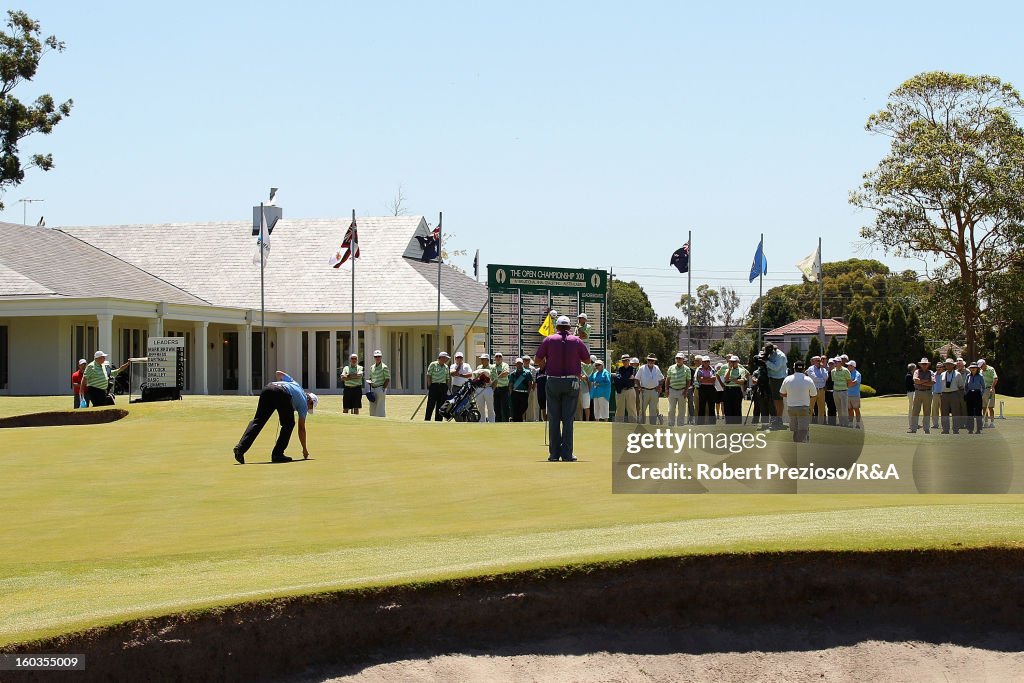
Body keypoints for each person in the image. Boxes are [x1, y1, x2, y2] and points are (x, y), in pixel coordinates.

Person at [535, 315, 591, 462]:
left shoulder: (549, 340)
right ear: (569, 327)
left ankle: (554, 454)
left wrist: (545, 366)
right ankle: (567, 454)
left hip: (553, 381)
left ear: (557, 327)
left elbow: (537, 360)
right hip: (572, 381)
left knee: (553, 417)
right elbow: (587, 360)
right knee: (568, 418)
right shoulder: (576, 340)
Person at [233, 370, 317, 464]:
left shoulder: (295, 384)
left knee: (258, 421)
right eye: (310, 407)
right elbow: (301, 428)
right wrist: (304, 449)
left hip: (268, 389)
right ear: (310, 401)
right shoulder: (304, 403)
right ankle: (277, 454)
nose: (308, 409)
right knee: (289, 424)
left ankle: (240, 449)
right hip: (282, 393)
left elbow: (278, 373)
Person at [780, 360, 817, 443]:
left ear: (794, 369)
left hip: (791, 408)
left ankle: (795, 446)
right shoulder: (808, 380)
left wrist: (790, 394)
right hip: (803, 408)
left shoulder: (787, 379)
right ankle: (800, 447)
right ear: (804, 369)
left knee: (795, 430)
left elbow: (782, 393)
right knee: (803, 430)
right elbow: (814, 394)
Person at [763, 343, 788, 429]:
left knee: (778, 399)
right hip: (773, 378)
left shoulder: (780, 356)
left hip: (779, 378)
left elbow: (776, 368)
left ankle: (779, 419)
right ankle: (777, 418)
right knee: (775, 400)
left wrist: (766, 361)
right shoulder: (771, 354)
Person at [937, 358, 965, 434]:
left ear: (953, 365)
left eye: (950, 364)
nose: (948, 366)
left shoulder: (957, 374)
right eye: (946, 364)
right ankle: (945, 429)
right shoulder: (942, 374)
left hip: (954, 394)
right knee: (944, 412)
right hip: (944, 394)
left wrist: (958, 395)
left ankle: (956, 429)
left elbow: (961, 386)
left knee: (955, 412)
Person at [718, 354, 748, 424]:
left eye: (734, 361)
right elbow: (726, 378)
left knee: (737, 407)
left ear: (737, 362)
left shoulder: (741, 370)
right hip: (728, 390)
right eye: (731, 361)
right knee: (727, 408)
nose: (732, 363)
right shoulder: (727, 369)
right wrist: (730, 370)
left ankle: (737, 423)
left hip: (736, 390)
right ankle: (729, 423)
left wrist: (732, 379)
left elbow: (742, 381)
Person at [635, 354, 664, 425]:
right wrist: (639, 387)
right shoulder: (642, 368)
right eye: (649, 360)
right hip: (644, 391)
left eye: (652, 360)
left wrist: (659, 386)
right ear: (647, 360)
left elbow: (662, 378)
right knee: (642, 410)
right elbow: (636, 379)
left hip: (654, 391)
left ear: (654, 361)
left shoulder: (656, 368)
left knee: (653, 410)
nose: (651, 361)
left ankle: (652, 426)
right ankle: (642, 426)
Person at [665, 352, 691, 427]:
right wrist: (666, 390)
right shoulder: (671, 368)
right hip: (672, 390)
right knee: (671, 409)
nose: (678, 360)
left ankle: (680, 425)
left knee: (681, 410)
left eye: (680, 358)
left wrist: (686, 391)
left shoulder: (687, 369)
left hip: (682, 391)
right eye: (677, 358)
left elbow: (688, 381)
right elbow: (667, 379)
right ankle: (671, 424)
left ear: (683, 360)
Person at [910, 357, 935, 433]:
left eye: (925, 364)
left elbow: (932, 382)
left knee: (927, 411)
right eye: (923, 364)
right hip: (918, 392)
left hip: (927, 393)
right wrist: (926, 381)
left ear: (928, 365)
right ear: (920, 365)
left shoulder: (931, 372)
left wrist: (921, 381)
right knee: (915, 411)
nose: (924, 365)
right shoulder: (917, 371)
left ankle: (926, 428)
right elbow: (915, 380)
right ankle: (913, 428)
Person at [424, 351, 450, 421]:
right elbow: (429, 375)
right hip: (434, 385)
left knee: (440, 405)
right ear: (441, 358)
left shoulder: (446, 367)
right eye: (445, 358)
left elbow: (447, 378)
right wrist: (430, 385)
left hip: (443, 386)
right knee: (430, 404)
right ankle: (427, 419)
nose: (446, 360)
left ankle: (438, 420)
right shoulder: (433, 364)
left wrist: (446, 387)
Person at [613, 354, 638, 423]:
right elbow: (617, 380)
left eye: (626, 360)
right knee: (620, 409)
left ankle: (633, 425)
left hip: (630, 390)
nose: (625, 362)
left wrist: (622, 378)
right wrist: (627, 378)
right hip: (621, 391)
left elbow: (622, 379)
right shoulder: (619, 369)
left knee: (631, 408)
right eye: (623, 360)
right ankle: (618, 425)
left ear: (629, 360)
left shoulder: (633, 369)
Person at [509, 357, 534, 422]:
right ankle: (517, 421)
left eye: (520, 363)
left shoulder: (527, 373)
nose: (519, 365)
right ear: (516, 364)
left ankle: (517, 419)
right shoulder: (513, 374)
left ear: (522, 364)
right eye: (518, 363)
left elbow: (530, 383)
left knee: (524, 407)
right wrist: (511, 393)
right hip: (515, 393)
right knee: (516, 408)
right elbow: (511, 385)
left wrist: (528, 392)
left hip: (524, 393)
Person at [694, 356, 718, 425]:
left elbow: (714, 379)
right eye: (704, 361)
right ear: (702, 362)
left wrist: (705, 378)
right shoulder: (700, 369)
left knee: (711, 406)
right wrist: (709, 378)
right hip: (703, 388)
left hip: (711, 388)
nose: (706, 363)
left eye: (707, 361)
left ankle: (712, 423)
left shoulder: (712, 369)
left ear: (709, 362)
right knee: (702, 406)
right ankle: (700, 423)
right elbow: (700, 379)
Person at [964, 362, 985, 434]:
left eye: (974, 368)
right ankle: (970, 429)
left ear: (977, 368)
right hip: (970, 394)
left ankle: (978, 429)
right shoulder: (968, 376)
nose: (973, 369)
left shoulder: (980, 376)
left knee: (978, 412)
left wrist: (980, 394)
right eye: (971, 368)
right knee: (969, 412)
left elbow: (983, 387)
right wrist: (966, 394)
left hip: (977, 394)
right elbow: (965, 386)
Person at [367, 350, 390, 418]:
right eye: (376, 356)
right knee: (372, 406)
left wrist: (383, 388)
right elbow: (370, 377)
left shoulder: (384, 367)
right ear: (374, 357)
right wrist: (370, 383)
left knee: (380, 406)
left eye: (379, 356)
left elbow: (387, 378)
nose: (377, 358)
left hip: (380, 388)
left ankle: (381, 419)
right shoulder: (372, 367)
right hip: (373, 388)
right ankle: (373, 419)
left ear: (381, 357)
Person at [806, 356, 828, 424]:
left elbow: (826, 377)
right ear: (814, 361)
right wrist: (822, 380)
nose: (820, 362)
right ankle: (808, 423)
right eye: (818, 360)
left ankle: (820, 423)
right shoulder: (810, 369)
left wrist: (822, 370)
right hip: (813, 390)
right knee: (810, 407)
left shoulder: (823, 369)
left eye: (820, 360)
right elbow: (814, 378)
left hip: (821, 390)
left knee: (821, 408)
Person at [830, 357, 852, 428]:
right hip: (835, 392)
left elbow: (849, 382)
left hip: (843, 392)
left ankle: (846, 424)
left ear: (840, 362)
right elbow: (834, 381)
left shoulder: (846, 371)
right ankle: (841, 424)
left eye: (836, 362)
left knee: (844, 409)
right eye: (834, 362)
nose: (835, 363)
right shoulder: (832, 371)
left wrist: (844, 389)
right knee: (838, 409)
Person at [474, 353, 496, 422]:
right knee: (480, 407)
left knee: (490, 407)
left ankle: (492, 421)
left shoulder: (492, 368)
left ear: (487, 360)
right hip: (479, 388)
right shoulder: (479, 367)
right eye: (481, 359)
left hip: (488, 388)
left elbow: (495, 380)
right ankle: (481, 421)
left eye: (483, 359)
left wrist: (493, 389)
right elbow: (475, 378)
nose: (482, 360)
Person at [492, 352, 511, 422]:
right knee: (496, 407)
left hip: (504, 388)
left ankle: (506, 421)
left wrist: (496, 376)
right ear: (495, 358)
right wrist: (500, 374)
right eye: (496, 356)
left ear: (502, 358)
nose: (498, 358)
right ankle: (498, 422)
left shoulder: (505, 365)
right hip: (496, 389)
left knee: (505, 406)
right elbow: (491, 376)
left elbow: (505, 373)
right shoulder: (492, 366)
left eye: (500, 356)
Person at [979, 359, 998, 427]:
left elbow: (995, 379)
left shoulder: (991, 369)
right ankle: (986, 422)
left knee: (990, 407)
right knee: (984, 407)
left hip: (989, 389)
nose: (981, 368)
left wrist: (992, 387)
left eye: (981, 366)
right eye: (980, 367)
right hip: (982, 390)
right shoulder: (981, 371)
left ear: (984, 364)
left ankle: (992, 423)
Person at [577, 355, 596, 421]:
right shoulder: (581, 365)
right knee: (579, 407)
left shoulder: (593, 369)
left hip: (586, 390)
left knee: (586, 407)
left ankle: (587, 421)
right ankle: (579, 420)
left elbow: (588, 378)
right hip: (577, 388)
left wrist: (585, 377)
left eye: (592, 362)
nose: (591, 363)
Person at [846, 360, 863, 429]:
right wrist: (849, 383)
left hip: (855, 395)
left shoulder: (857, 374)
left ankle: (858, 423)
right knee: (849, 409)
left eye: (849, 365)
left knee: (856, 409)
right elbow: (849, 383)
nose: (847, 367)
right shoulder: (847, 373)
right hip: (848, 395)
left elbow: (854, 383)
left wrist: (848, 384)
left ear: (852, 366)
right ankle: (850, 423)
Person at [523, 356, 539, 422]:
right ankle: (526, 419)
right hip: (523, 389)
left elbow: (534, 380)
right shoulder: (521, 368)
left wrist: (533, 389)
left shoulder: (533, 369)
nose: (526, 361)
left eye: (527, 360)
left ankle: (533, 419)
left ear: (529, 361)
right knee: (525, 405)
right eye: (525, 360)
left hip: (532, 389)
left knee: (532, 405)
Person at [905, 362, 917, 431]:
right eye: (915, 368)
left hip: (912, 393)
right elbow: (914, 385)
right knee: (912, 409)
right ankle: (911, 425)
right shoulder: (909, 376)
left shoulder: (910, 375)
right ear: (913, 369)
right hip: (911, 393)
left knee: (914, 409)